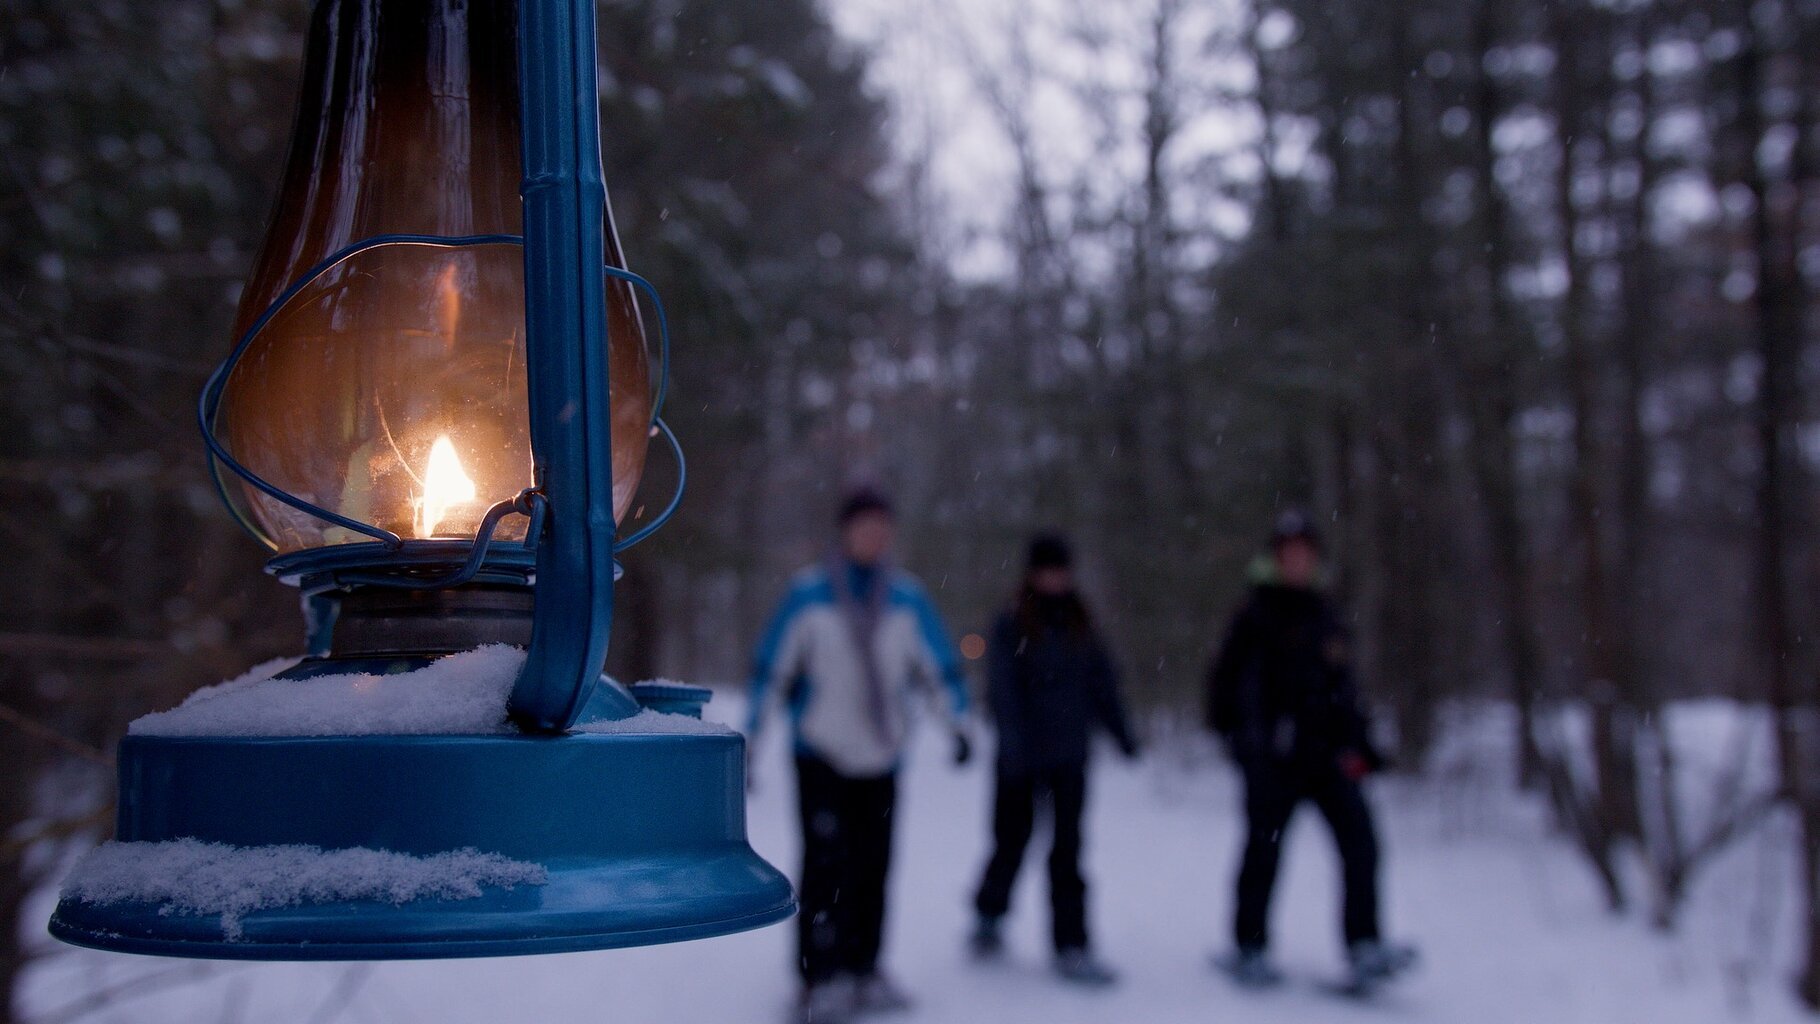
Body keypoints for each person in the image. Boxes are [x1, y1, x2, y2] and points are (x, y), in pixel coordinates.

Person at [748, 487, 972, 1024]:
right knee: (825, 867)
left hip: (883, 757)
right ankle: (818, 978)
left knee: (874, 868)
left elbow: (938, 667)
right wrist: (753, 740)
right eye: (865, 525)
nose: (875, 535)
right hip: (821, 754)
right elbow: (772, 670)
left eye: (882, 525)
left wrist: (957, 726)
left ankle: (865, 969)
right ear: (845, 532)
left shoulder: (907, 598)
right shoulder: (810, 593)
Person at [1204, 510, 1416, 993]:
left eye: (1305, 553)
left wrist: (1363, 745)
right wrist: (1242, 744)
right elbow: (1223, 685)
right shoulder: (1254, 614)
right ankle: (1249, 946)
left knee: (1361, 845)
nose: (1297, 561)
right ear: (1276, 559)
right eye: (1289, 553)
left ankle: (1364, 944)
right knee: (1264, 853)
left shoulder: (1326, 614)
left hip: (1326, 758)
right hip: (1273, 761)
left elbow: (1344, 690)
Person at [969, 533, 1138, 987]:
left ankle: (1072, 944)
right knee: (1011, 843)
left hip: (1070, 759)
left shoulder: (1081, 620)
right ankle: (989, 914)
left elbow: (1102, 681)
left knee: (1068, 853)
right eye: (1047, 570)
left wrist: (1122, 733)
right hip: (1019, 761)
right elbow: (1001, 690)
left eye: (1061, 570)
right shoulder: (1011, 621)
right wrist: (1015, 746)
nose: (1055, 579)